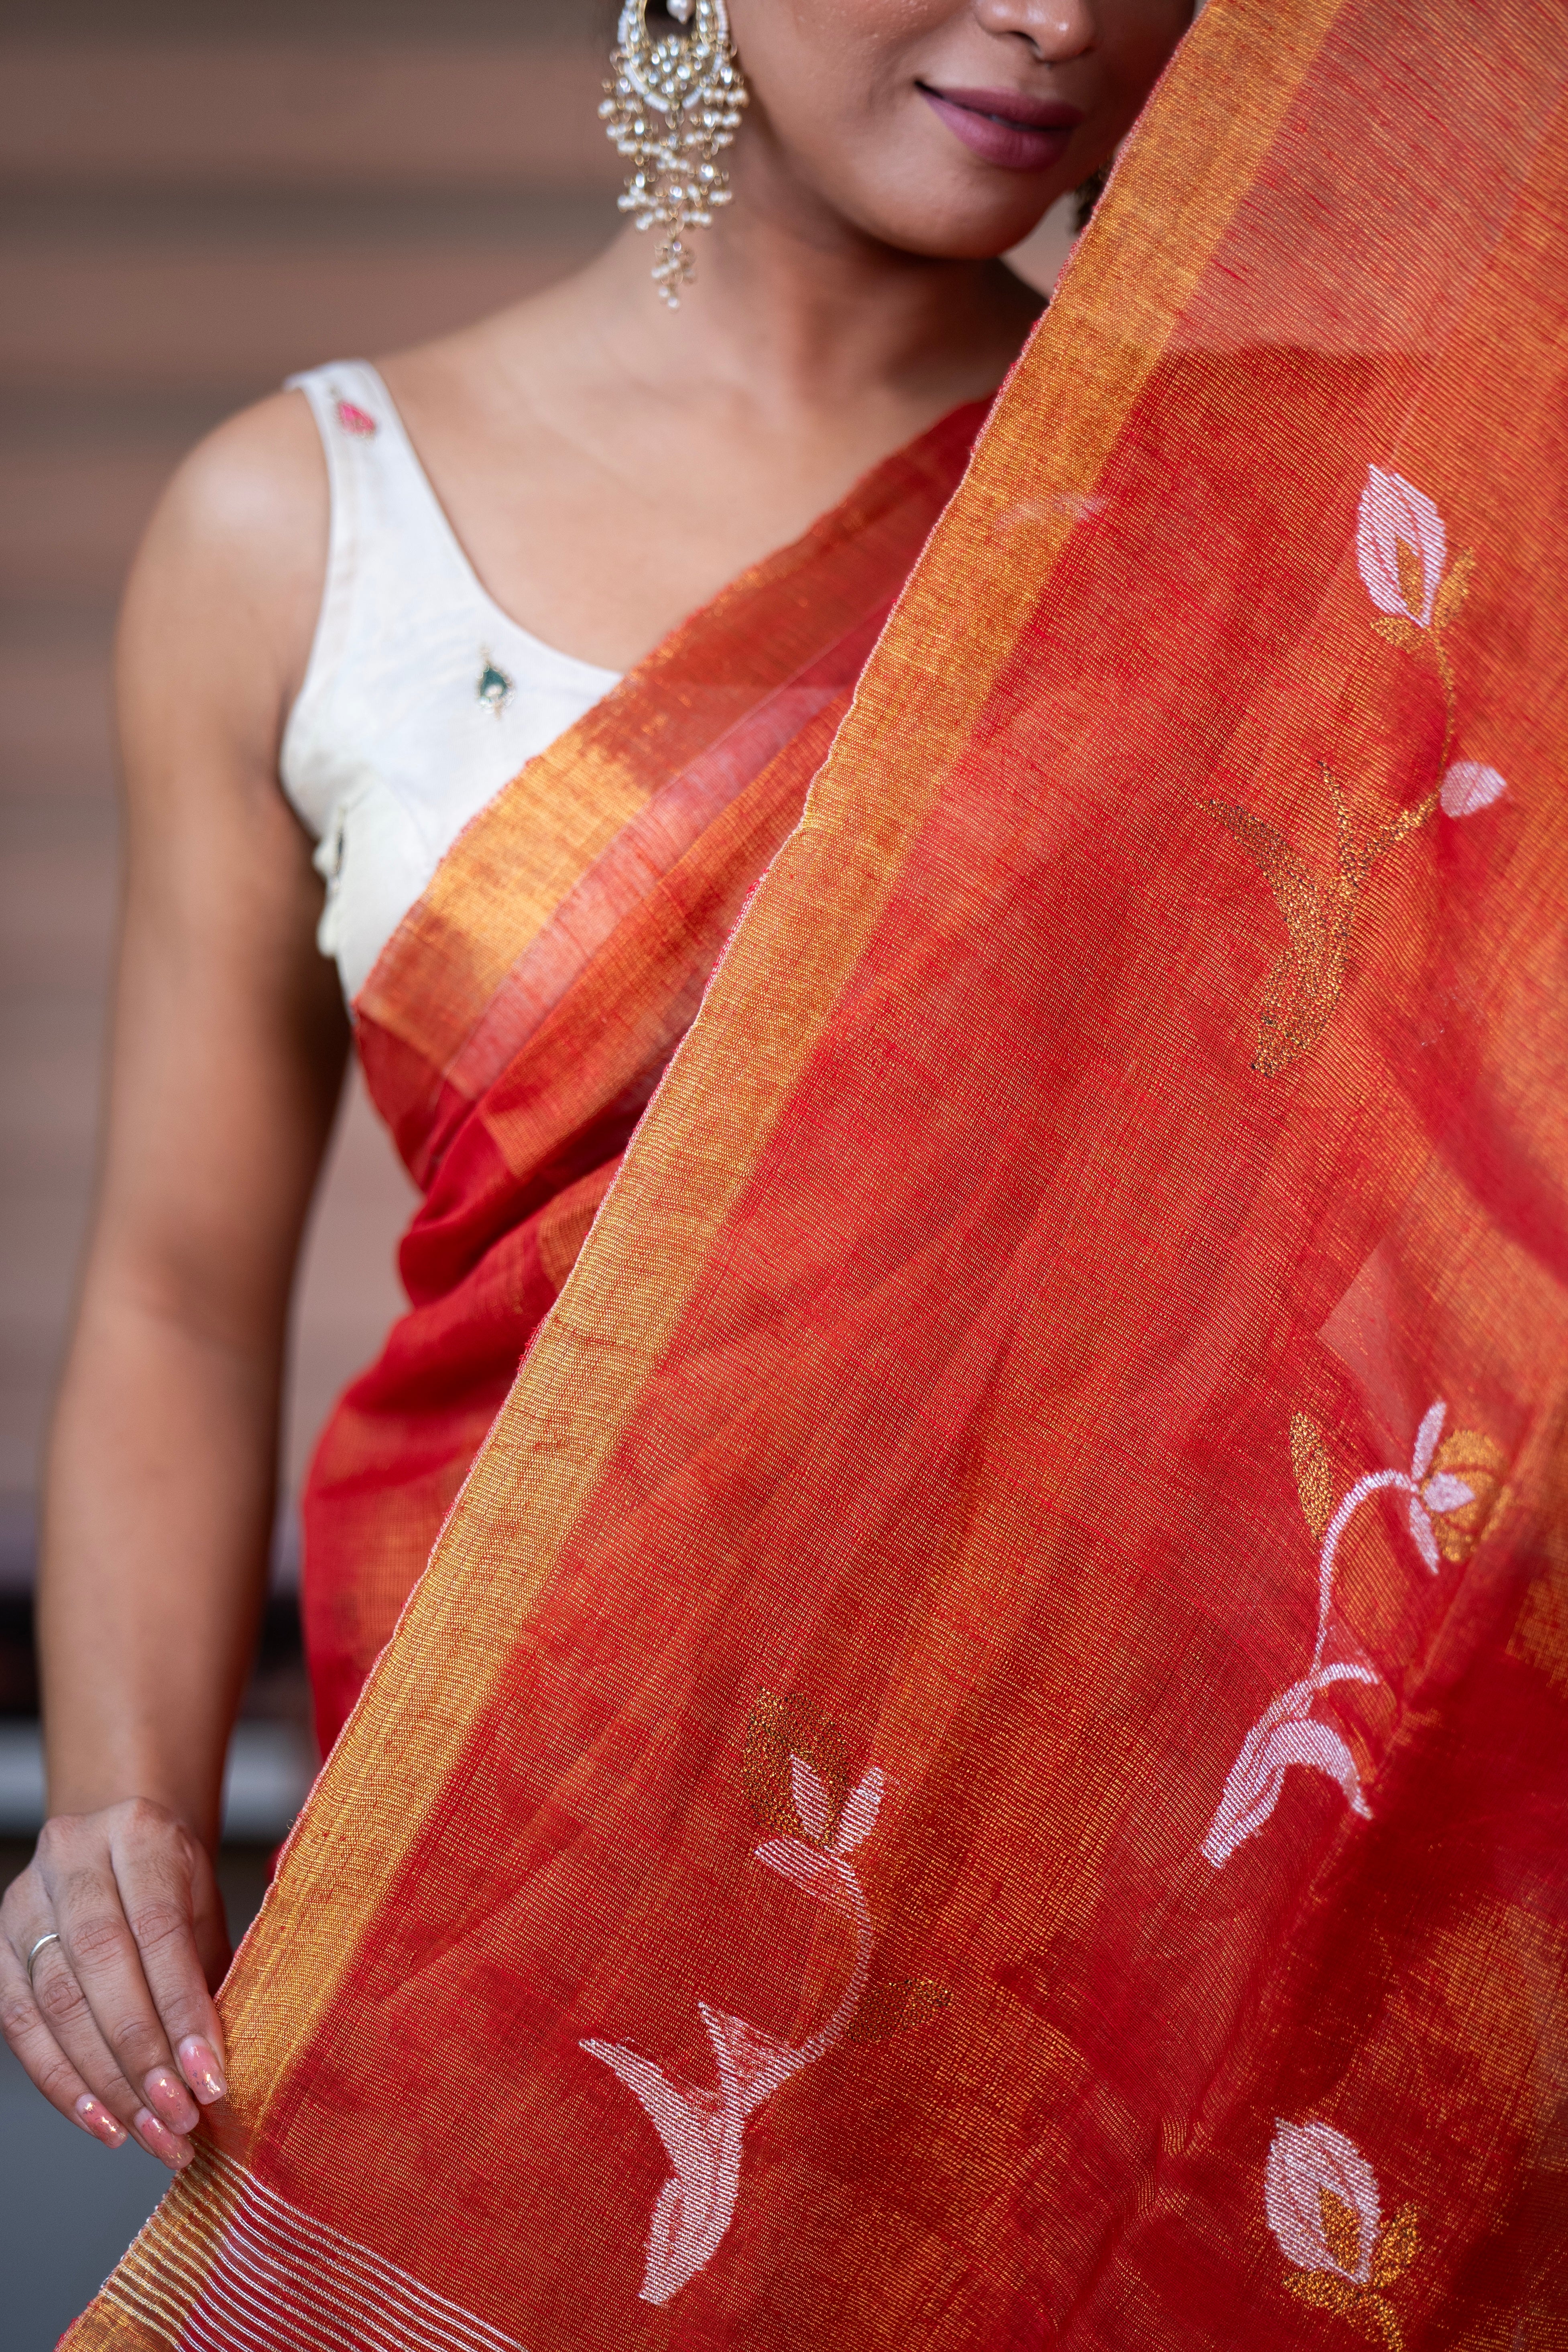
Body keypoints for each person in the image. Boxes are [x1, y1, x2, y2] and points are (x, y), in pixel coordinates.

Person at [0, 0, 1194, 2179]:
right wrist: (120, 1811)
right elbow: (177, 1291)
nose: (1056, 15)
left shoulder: (1248, 519)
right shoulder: (307, 531)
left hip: (1116, 1889)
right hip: (521, 1847)